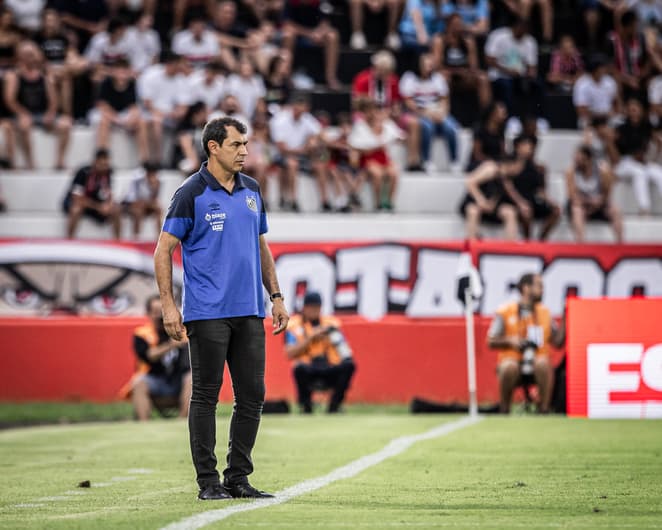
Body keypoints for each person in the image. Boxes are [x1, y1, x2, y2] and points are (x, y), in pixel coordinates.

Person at [154, 116, 289, 500]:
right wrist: (169, 306)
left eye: (245, 144)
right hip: (207, 312)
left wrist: (276, 297)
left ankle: (238, 478)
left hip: (250, 310)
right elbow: (163, 250)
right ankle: (208, 482)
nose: (245, 151)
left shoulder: (252, 189)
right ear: (213, 147)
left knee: (253, 395)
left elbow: (260, 245)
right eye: (236, 145)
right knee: (206, 396)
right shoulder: (190, 192)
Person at [487, 272, 565, 414]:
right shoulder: (505, 311)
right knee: (508, 367)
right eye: (539, 286)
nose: (543, 290)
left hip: (537, 364)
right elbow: (490, 340)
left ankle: (544, 409)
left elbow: (558, 342)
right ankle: (504, 410)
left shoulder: (545, 313)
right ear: (526, 288)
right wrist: (510, 341)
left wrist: (566, 315)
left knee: (543, 363)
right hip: (512, 362)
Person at [3, 40, 72, 169]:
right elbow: (10, 100)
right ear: (20, 56)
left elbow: (53, 99)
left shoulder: (45, 75)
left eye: (32, 54)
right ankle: (30, 162)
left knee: (66, 123)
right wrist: (22, 113)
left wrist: (51, 113)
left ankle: (60, 161)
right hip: (22, 114)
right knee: (24, 124)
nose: (31, 58)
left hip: (41, 114)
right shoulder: (14, 75)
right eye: (28, 54)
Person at [285, 291, 356, 414]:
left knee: (349, 365)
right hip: (309, 367)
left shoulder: (331, 324)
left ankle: (334, 407)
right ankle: (306, 407)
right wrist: (311, 337)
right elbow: (289, 353)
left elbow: (346, 352)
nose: (314, 311)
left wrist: (331, 334)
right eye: (311, 307)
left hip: (329, 366)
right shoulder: (294, 326)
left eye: (317, 307)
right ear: (304, 308)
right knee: (298, 368)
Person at [131, 294, 192, 420]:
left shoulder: (183, 331)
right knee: (138, 382)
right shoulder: (142, 334)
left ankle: (182, 422)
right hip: (155, 380)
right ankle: (143, 426)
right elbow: (149, 356)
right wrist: (171, 345)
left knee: (192, 378)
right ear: (148, 313)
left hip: (179, 381)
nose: (160, 317)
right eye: (156, 312)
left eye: (163, 312)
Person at [399, 53, 460, 173]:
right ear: (419, 65)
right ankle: (427, 161)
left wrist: (442, 113)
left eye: (431, 65)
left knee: (451, 127)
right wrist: (426, 113)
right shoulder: (409, 78)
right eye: (426, 65)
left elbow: (444, 100)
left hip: (437, 112)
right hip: (420, 113)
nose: (429, 67)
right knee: (427, 127)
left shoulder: (438, 78)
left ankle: (454, 161)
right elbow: (408, 102)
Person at [485, 17, 544, 122]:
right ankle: (511, 117)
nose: (523, 32)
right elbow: (489, 60)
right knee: (507, 86)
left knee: (537, 84)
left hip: (520, 75)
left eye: (526, 30)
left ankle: (536, 117)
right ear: (515, 27)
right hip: (499, 74)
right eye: (521, 28)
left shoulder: (530, 41)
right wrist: (508, 71)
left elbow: (532, 66)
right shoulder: (499, 35)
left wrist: (529, 74)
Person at [91, 58, 149, 163]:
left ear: (128, 71)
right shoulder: (106, 83)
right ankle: (103, 157)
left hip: (123, 114)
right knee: (103, 122)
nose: (121, 74)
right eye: (119, 71)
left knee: (141, 122)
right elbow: (103, 106)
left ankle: (144, 159)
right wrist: (116, 120)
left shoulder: (132, 83)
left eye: (124, 71)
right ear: (113, 71)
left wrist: (131, 119)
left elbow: (134, 107)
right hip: (108, 114)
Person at [348, 99, 402, 211]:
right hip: (368, 159)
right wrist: (372, 148)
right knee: (377, 174)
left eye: (375, 111)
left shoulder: (387, 124)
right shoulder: (360, 126)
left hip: (383, 158)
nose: (373, 113)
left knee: (394, 172)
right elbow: (354, 145)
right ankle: (378, 204)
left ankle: (389, 203)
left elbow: (399, 136)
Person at [503, 135, 560, 240]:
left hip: (532, 199)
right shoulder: (510, 165)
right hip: (515, 200)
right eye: (525, 145)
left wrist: (551, 201)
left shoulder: (538, 168)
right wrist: (520, 203)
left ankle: (541, 239)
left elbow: (541, 190)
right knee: (526, 212)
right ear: (517, 147)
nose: (529, 148)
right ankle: (527, 240)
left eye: (530, 145)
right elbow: (508, 187)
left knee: (556, 211)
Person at [612, 98, 662, 215]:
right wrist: (615, 162)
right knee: (639, 172)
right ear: (627, 112)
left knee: (659, 173)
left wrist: (653, 158)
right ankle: (644, 208)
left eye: (635, 110)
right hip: (625, 161)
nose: (633, 112)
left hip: (642, 161)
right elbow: (612, 146)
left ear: (641, 111)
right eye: (631, 110)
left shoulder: (646, 127)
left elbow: (658, 141)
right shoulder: (621, 128)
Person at [565, 145, 623, 243]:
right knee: (577, 210)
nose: (577, 162)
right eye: (576, 159)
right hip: (581, 204)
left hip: (598, 204)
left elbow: (607, 192)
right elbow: (572, 196)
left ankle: (620, 243)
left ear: (588, 159)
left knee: (615, 210)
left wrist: (600, 201)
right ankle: (581, 243)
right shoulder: (571, 172)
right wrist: (589, 201)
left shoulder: (602, 171)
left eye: (580, 159)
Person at [63, 148, 121, 239]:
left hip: (95, 204)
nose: (104, 168)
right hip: (81, 203)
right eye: (102, 165)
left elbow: (109, 193)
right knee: (76, 209)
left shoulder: (108, 173)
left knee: (116, 209)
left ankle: (118, 241)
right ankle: (70, 239)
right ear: (95, 162)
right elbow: (77, 198)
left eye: (106, 164)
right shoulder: (83, 172)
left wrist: (108, 205)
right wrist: (98, 207)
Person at [459, 157, 521, 240]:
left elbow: (498, 193)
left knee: (510, 212)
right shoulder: (491, 168)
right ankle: (472, 244)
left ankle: (509, 246)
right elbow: (470, 182)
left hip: (490, 205)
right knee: (473, 211)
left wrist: (492, 204)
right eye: (519, 166)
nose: (520, 169)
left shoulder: (507, 178)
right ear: (512, 164)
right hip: (476, 200)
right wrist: (481, 200)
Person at [572, 55, 620, 129]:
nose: (605, 70)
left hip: (608, 118)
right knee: (584, 122)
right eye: (602, 68)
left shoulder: (610, 82)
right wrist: (601, 115)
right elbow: (581, 110)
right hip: (590, 119)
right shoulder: (582, 84)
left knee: (620, 121)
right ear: (594, 69)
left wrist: (614, 112)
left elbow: (616, 102)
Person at [122, 162, 162, 239]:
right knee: (138, 210)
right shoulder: (137, 181)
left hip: (146, 205)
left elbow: (154, 199)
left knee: (158, 209)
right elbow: (132, 199)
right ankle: (136, 237)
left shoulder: (157, 182)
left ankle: (159, 236)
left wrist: (154, 188)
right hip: (131, 205)